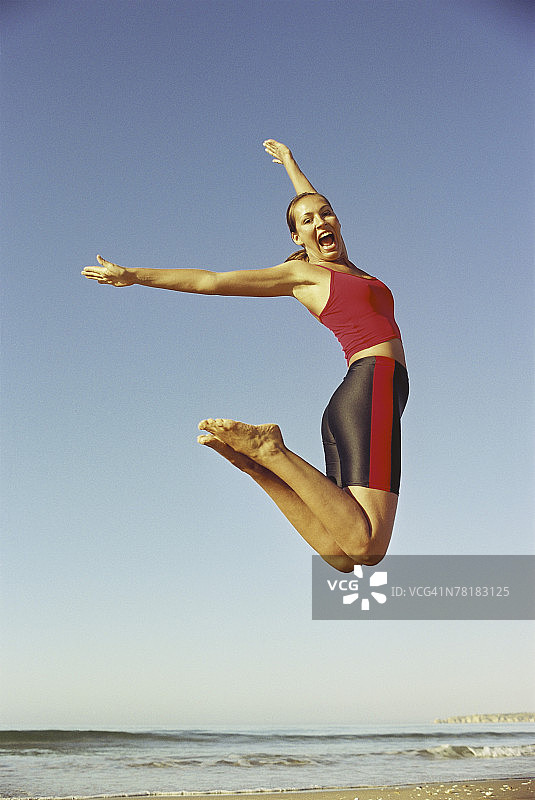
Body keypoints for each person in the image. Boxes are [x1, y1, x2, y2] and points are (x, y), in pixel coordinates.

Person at [82, 139, 408, 572]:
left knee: (343, 556)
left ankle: (257, 465)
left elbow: (308, 203)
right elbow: (212, 280)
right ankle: (270, 448)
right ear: (296, 237)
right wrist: (135, 276)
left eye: (326, 212)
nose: (320, 221)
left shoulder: (346, 266)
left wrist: (291, 164)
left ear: (338, 219)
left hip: (352, 401)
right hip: (373, 383)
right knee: (368, 547)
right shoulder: (303, 274)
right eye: (307, 221)